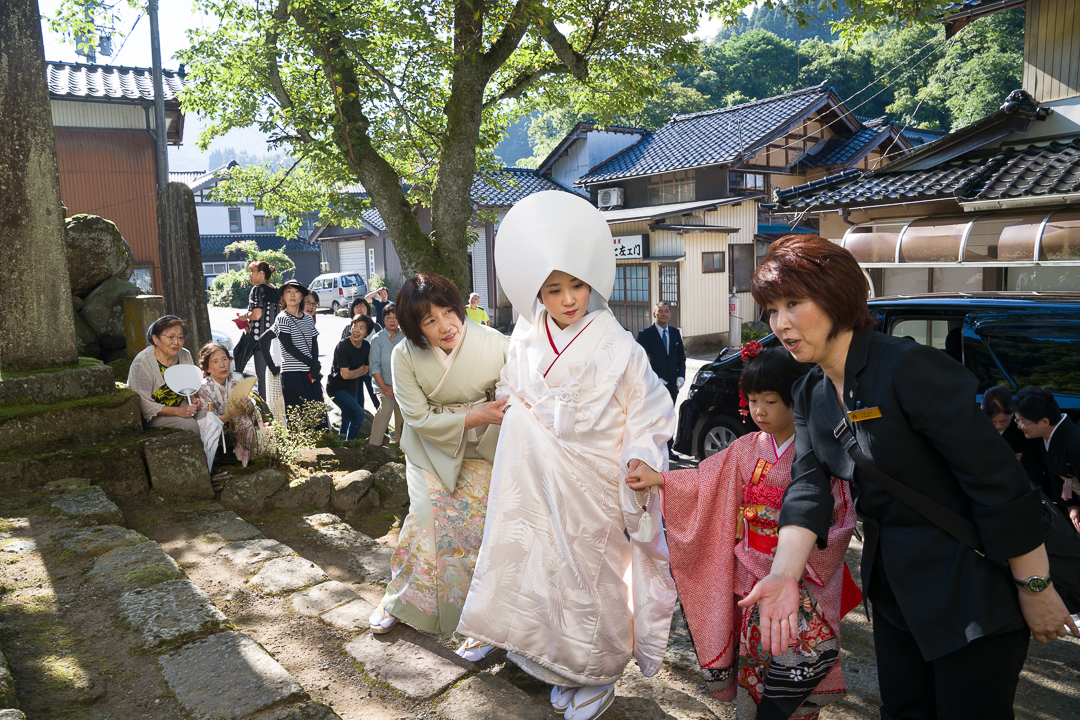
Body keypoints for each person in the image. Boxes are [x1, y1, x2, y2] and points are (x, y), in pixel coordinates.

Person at [740, 235, 1077, 720]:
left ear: (837, 297)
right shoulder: (811, 389)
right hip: (896, 587)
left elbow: (998, 482)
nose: (781, 323)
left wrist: (1036, 587)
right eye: (772, 309)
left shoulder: (908, 368)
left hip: (970, 584)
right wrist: (782, 576)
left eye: (794, 303)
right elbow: (807, 487)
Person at [456, 191, 677, 720]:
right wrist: (519, 409)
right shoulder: (525, 338)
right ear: (538, 294)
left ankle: (595, 674)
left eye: (576, 285)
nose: (568, 298)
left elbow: (648, 411)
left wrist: (640, 458)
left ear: (592, 283)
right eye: (554, 290)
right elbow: (511, 386)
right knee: (534, 564)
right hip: (534, 476)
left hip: (595, 479)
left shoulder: (620, 344)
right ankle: (539, 656)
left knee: (589, 575)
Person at [627, 347, 859, 719]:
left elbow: (841, 518)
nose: (760, 411)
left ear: (796, 399)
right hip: (749, 570)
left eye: (770, 401)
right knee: (754, 660)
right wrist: (661, 479)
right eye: (753, 401)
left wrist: (800, 568)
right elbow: (706, 483)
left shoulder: (816, 452)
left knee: (790, 664)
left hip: (799, 576)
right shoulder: (745, 448)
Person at [369, 272, 510, 640]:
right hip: (429, 448)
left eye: (448, 311)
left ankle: (473, 613)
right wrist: (477, 415)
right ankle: (397, 600)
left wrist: (489, 416)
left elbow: (514, 389)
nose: (446, 325)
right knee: (425, 518)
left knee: (476, 525)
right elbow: (417, 417)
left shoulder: (494, 343)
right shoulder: (404, 355)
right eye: (430, 320)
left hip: (482, 447)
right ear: (416, 328)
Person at [127, 316, 221, 470]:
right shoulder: (142, 363)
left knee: (208, 417)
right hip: (155, 412)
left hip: (180, 404)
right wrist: (179, 412)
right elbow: (143, 405)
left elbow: (190, 386)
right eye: (170, 337)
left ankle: (212, 459)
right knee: (189, 425)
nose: (176, 342)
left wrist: (193, 398)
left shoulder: (185, 355)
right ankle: (198, 467)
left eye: (180, 337)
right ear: (155, 339)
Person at [1014, 387, 1080, 533]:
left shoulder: (1075, 442)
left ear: (1044, 421)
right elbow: (1064, 477)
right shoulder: (1046, 437)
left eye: (1022, 421)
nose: (1019, 426)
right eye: (1017, 420)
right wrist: (1071, 505)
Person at [195, 342, 264, 467]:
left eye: (225, 359)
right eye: (215, 362)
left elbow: (247, 402)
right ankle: (219, 453)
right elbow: (212, 421)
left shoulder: (237, 378)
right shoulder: (204, 387)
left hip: (236, 421)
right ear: (208, 368)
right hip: (217, 427)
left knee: (246, 421)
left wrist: (248, 406)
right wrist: (235, 412)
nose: (222, 365)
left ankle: (246, 461)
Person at [266, 279, 324, 421]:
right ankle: (297, 442)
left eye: (296, 291)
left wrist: (314, 367)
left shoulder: (308, 319)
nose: (292, 295)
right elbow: (288, 346)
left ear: (302, 296)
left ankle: (319, 442)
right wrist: (272, 365)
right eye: (288, 292)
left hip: (309, 371)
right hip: (291, 372)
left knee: (315, 412)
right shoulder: (282, 318)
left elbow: (314, 343)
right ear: (283, 296)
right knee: (295, 415)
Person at [327, 315, 374, 441]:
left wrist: (355, 372)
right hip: (336, 388)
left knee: (347, 419)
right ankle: (351, 445)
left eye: (361, 328)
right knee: (359, 415)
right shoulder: (343, 346)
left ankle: (343, 446)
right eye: (354, 326)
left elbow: (366, 369)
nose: (356, 330)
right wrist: (359, 370)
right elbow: (345, 375)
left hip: (351, 388)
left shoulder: (366, 346)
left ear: (367, 333)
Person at [239, 261, 279, 399]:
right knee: (273, 375)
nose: (250, 275)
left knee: (261, 377)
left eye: (252, 272)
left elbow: (257, 314)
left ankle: (267, 413)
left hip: (259, 340)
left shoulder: (257, 290)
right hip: (275, 339)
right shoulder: (275, 290)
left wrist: (245, 317)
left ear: (261, 274)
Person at [368, 302, 405, 446]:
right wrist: (385, 388)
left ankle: (400, 446)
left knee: (402, 412)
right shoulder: (377, 339)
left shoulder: (405, 337)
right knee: (387, 407)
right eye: (389, 317)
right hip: (383, 385)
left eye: (395, 317)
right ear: (383, 319)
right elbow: (374, 367)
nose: (392, 320)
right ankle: (374, 445)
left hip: (402, 386)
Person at [636, 300, 685, 406]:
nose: (664, 314)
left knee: (670, 416)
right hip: (653, 386)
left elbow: (681, 357)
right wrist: (654, 379)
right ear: (654, 314)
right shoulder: (645, 334)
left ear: (670, 314)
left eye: (666, 311)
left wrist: (681, 375)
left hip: (672, 385)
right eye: (660, 311)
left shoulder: (675, 333)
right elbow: (640, 360)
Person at [343, 297, 381, 410]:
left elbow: (382, 348)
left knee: (378, 402)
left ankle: (383, 428)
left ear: (368, 309)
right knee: (358, 402)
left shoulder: (376, 327)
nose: (359, 309)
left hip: (372, 370)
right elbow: (342, 349)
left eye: (362, 306)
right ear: (352, 310)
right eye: (356, 307)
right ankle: (362, 426)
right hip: (355, 370)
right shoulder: (348, 329)